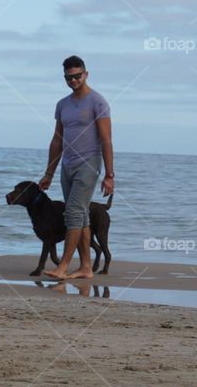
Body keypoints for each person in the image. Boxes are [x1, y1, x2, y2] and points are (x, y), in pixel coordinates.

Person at [39, 55, 114, 280]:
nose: (73, 80)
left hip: (89, 164)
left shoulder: (98, 102)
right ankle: (86, 267)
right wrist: (49, 173)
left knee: (72, 213)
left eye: (77, 76)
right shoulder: (62, 104)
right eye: (68, 77)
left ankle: (63, 267)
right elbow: (56, 140)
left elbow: (106, 140)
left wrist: (109, 175)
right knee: (81, 217)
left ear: (86, 74)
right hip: (67, 165)